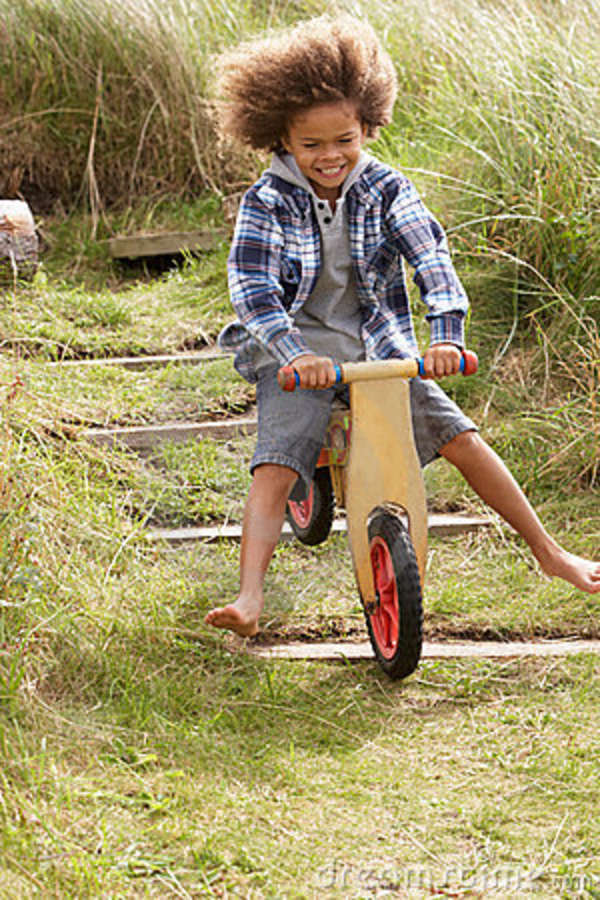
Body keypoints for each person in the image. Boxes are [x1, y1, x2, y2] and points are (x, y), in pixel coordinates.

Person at [205, 16, 600, 636]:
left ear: (367, 125)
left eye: (344, 139)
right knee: (279, 461)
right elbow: (253, 290)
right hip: (293, 352)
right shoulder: (266, 201)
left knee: (461, 437)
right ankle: (250, 595)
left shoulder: (387, 188)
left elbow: (431, 257)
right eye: (311, 146)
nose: (330, 156)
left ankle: (548, 552)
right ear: (280, 137)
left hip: (376, 349)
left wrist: (445, 332)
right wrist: (291, 351)